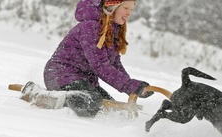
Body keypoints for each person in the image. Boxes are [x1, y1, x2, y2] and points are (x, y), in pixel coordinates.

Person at [21, 0, 154, 117]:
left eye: (131, 9)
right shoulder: (91, 27)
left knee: (112, 108)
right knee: (90, 103)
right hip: (61, 75)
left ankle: (67, 98)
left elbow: (115, 66)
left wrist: (134, 87)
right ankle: (41, 96)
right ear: (112, 7)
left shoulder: (111, 30)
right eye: (125, 8)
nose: (129, 13)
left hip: (83, 81)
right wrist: (130, 86)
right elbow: (101, 66)